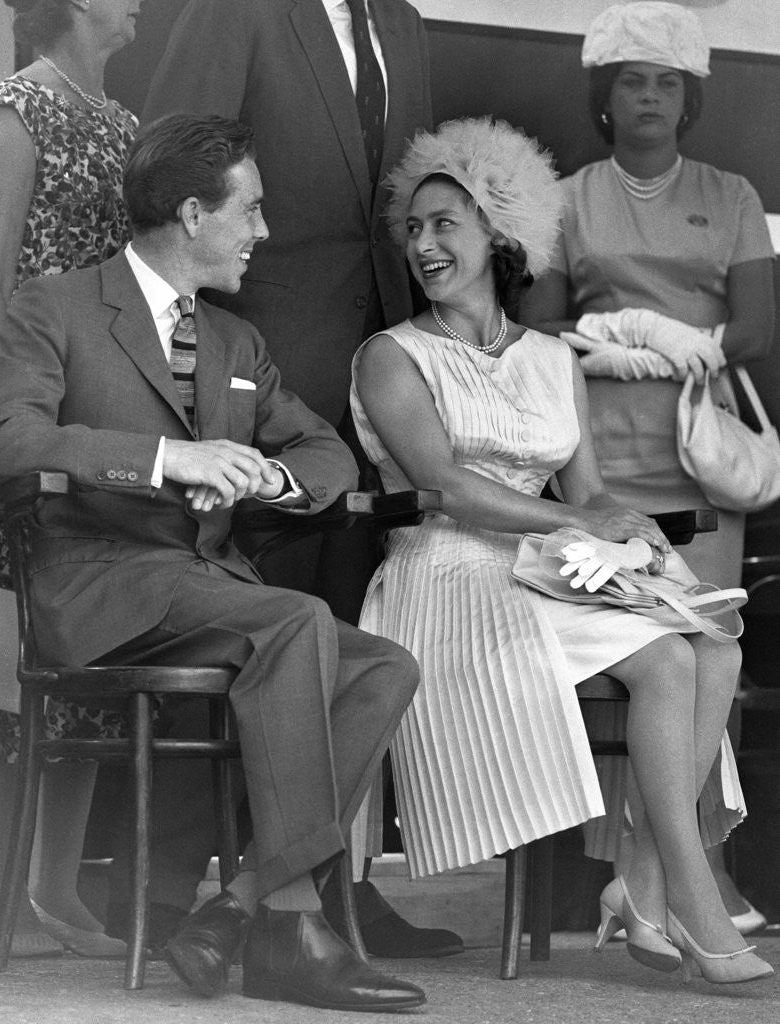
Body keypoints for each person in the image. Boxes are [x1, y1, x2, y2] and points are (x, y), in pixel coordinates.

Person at [0, 112, 426, 1013]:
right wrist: (168, 460)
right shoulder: (52, 306)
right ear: (193, 213)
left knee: (384, 667)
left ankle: (234, 910)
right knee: (298, 620)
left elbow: (323, 451)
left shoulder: (235, 344)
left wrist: (263, 473)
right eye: (252, 210)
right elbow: (9, 438)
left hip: (209, 590)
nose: (264, 232)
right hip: (99, 583)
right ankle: (294, 927)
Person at [349, 114, 774, 985]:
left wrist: (634, 530)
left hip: (537, 570)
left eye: (445, 224)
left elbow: (588, 496)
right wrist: (582, 528)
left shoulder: (552, 358)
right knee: (664, 661)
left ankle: (642, 881)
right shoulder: (389, 357)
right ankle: (686, 895)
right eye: (415, 229)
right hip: (444, 578)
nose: (424, 244)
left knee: (714, 648)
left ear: (500, 233)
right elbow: (448, 486)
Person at [134, 0, 458, 960]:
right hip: (251, 349)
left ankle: (325, 885)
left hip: (377, 363)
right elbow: (174, 171)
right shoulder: (235, 10)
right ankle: (158, 888)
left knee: (346, 620)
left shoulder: (401, 22)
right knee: (233, 611)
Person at [520, 1, 775, 935]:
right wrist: (608, 341)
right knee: (635, 665)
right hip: (600, 467)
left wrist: (685, 342)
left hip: (701, 461)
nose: (651, 97)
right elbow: (541, 320)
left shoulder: (732, 193)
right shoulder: (567, 196)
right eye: (633, 80)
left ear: (690, 97)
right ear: (604, 94)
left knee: (713, 661)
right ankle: (645, 876)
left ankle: (684, 871)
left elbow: (757, 325)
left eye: (669, 82)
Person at [0, 0, 146, 958]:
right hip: (36, 402)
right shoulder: (19, 109)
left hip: (115, 408)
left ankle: (55, 885)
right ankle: (13, 885)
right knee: (22, 648)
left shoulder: (127, 124)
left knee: (96, 632)